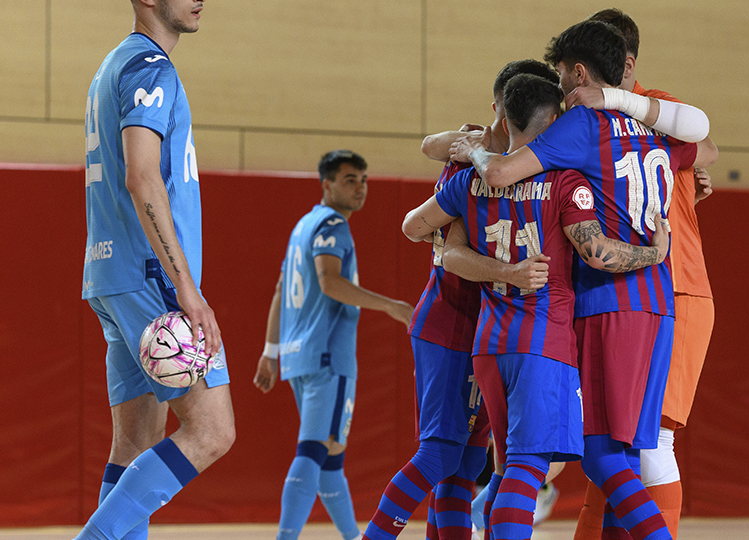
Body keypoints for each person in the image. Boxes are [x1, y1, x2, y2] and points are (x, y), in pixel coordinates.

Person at [450, 20, 717, 540]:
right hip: (660, 305)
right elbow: (702, 142)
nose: (562, 93)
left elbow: (502, 174)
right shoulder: (654, 128)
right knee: (627, 455)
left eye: (562, 79)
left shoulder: (582, 128)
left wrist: (474, 153)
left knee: (603, 460)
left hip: (611, 303)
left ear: (578, 73)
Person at [404, 72, 672, 540]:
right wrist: (657, 253)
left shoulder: (469, 178)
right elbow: (597, 253)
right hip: (542, 342)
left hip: (487, 343)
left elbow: (427, 237)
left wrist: (499, 270)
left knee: (474, 466)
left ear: (503, 118)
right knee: (525, 468)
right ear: (556, 123)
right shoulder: (567, 181)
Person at [362, 60, 559, 540]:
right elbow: (420, 231)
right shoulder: (469, 163)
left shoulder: (525, 164)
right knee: (441, 455)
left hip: (490, 331)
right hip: (450, 320)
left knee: (465, 464)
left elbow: (429, 148)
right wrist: (503, 268)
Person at [77, 1, 235, 539]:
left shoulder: (112, 65)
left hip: (110, 276)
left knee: (135, 444)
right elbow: (143, 178)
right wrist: (188, 290)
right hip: (151, 279)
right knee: (213, 431)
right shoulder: (151, 68)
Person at [568, 10, 718, 539]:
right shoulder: (583, 118)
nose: (575, 78)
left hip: (671, 285)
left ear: (623, 63)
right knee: (613, 441)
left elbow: (708, 143)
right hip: (624, 291)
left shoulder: (658, 109)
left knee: (652, 441)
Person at [253, 150, 414, 540]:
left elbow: (279, 291)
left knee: (330, 460)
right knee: (312, 452)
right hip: (327, 357)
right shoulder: (333, 226)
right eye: (349, 180)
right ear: (327, 184)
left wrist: (271, 352)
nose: (360, 188)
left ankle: (352, 536)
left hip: (298, 357)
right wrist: (393, 307)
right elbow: (330, 282)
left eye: (363, 179)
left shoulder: (303, 226)